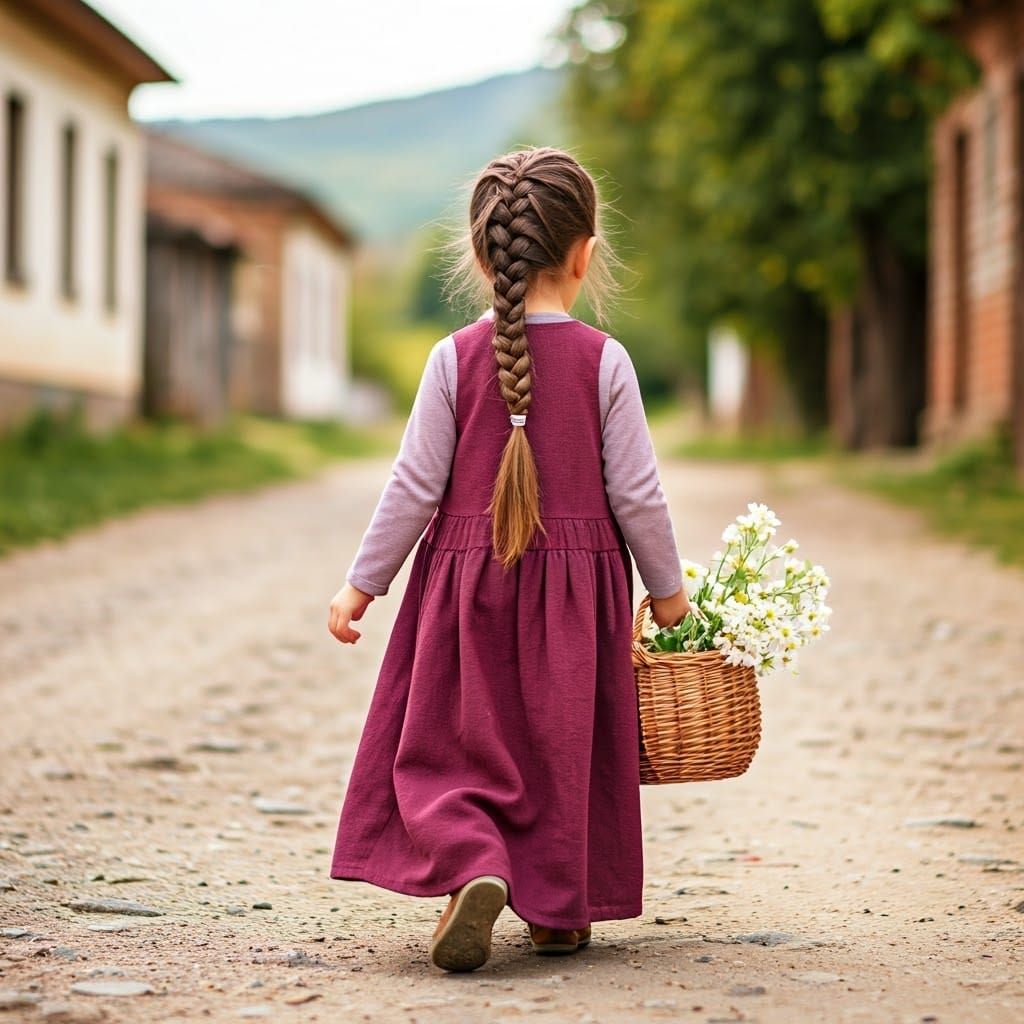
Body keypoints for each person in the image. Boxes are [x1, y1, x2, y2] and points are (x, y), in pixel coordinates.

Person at [327, 146, 691, 973]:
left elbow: (413, 485)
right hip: (575, 605)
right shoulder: (605, 361)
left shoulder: (451, 358)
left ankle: (475, 866)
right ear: (585, 253)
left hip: (466, 596)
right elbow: (639, 495)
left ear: (482, 254)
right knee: (560, 749)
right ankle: (558, 912)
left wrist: (361, 584)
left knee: (456, 750)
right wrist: (668, 593)